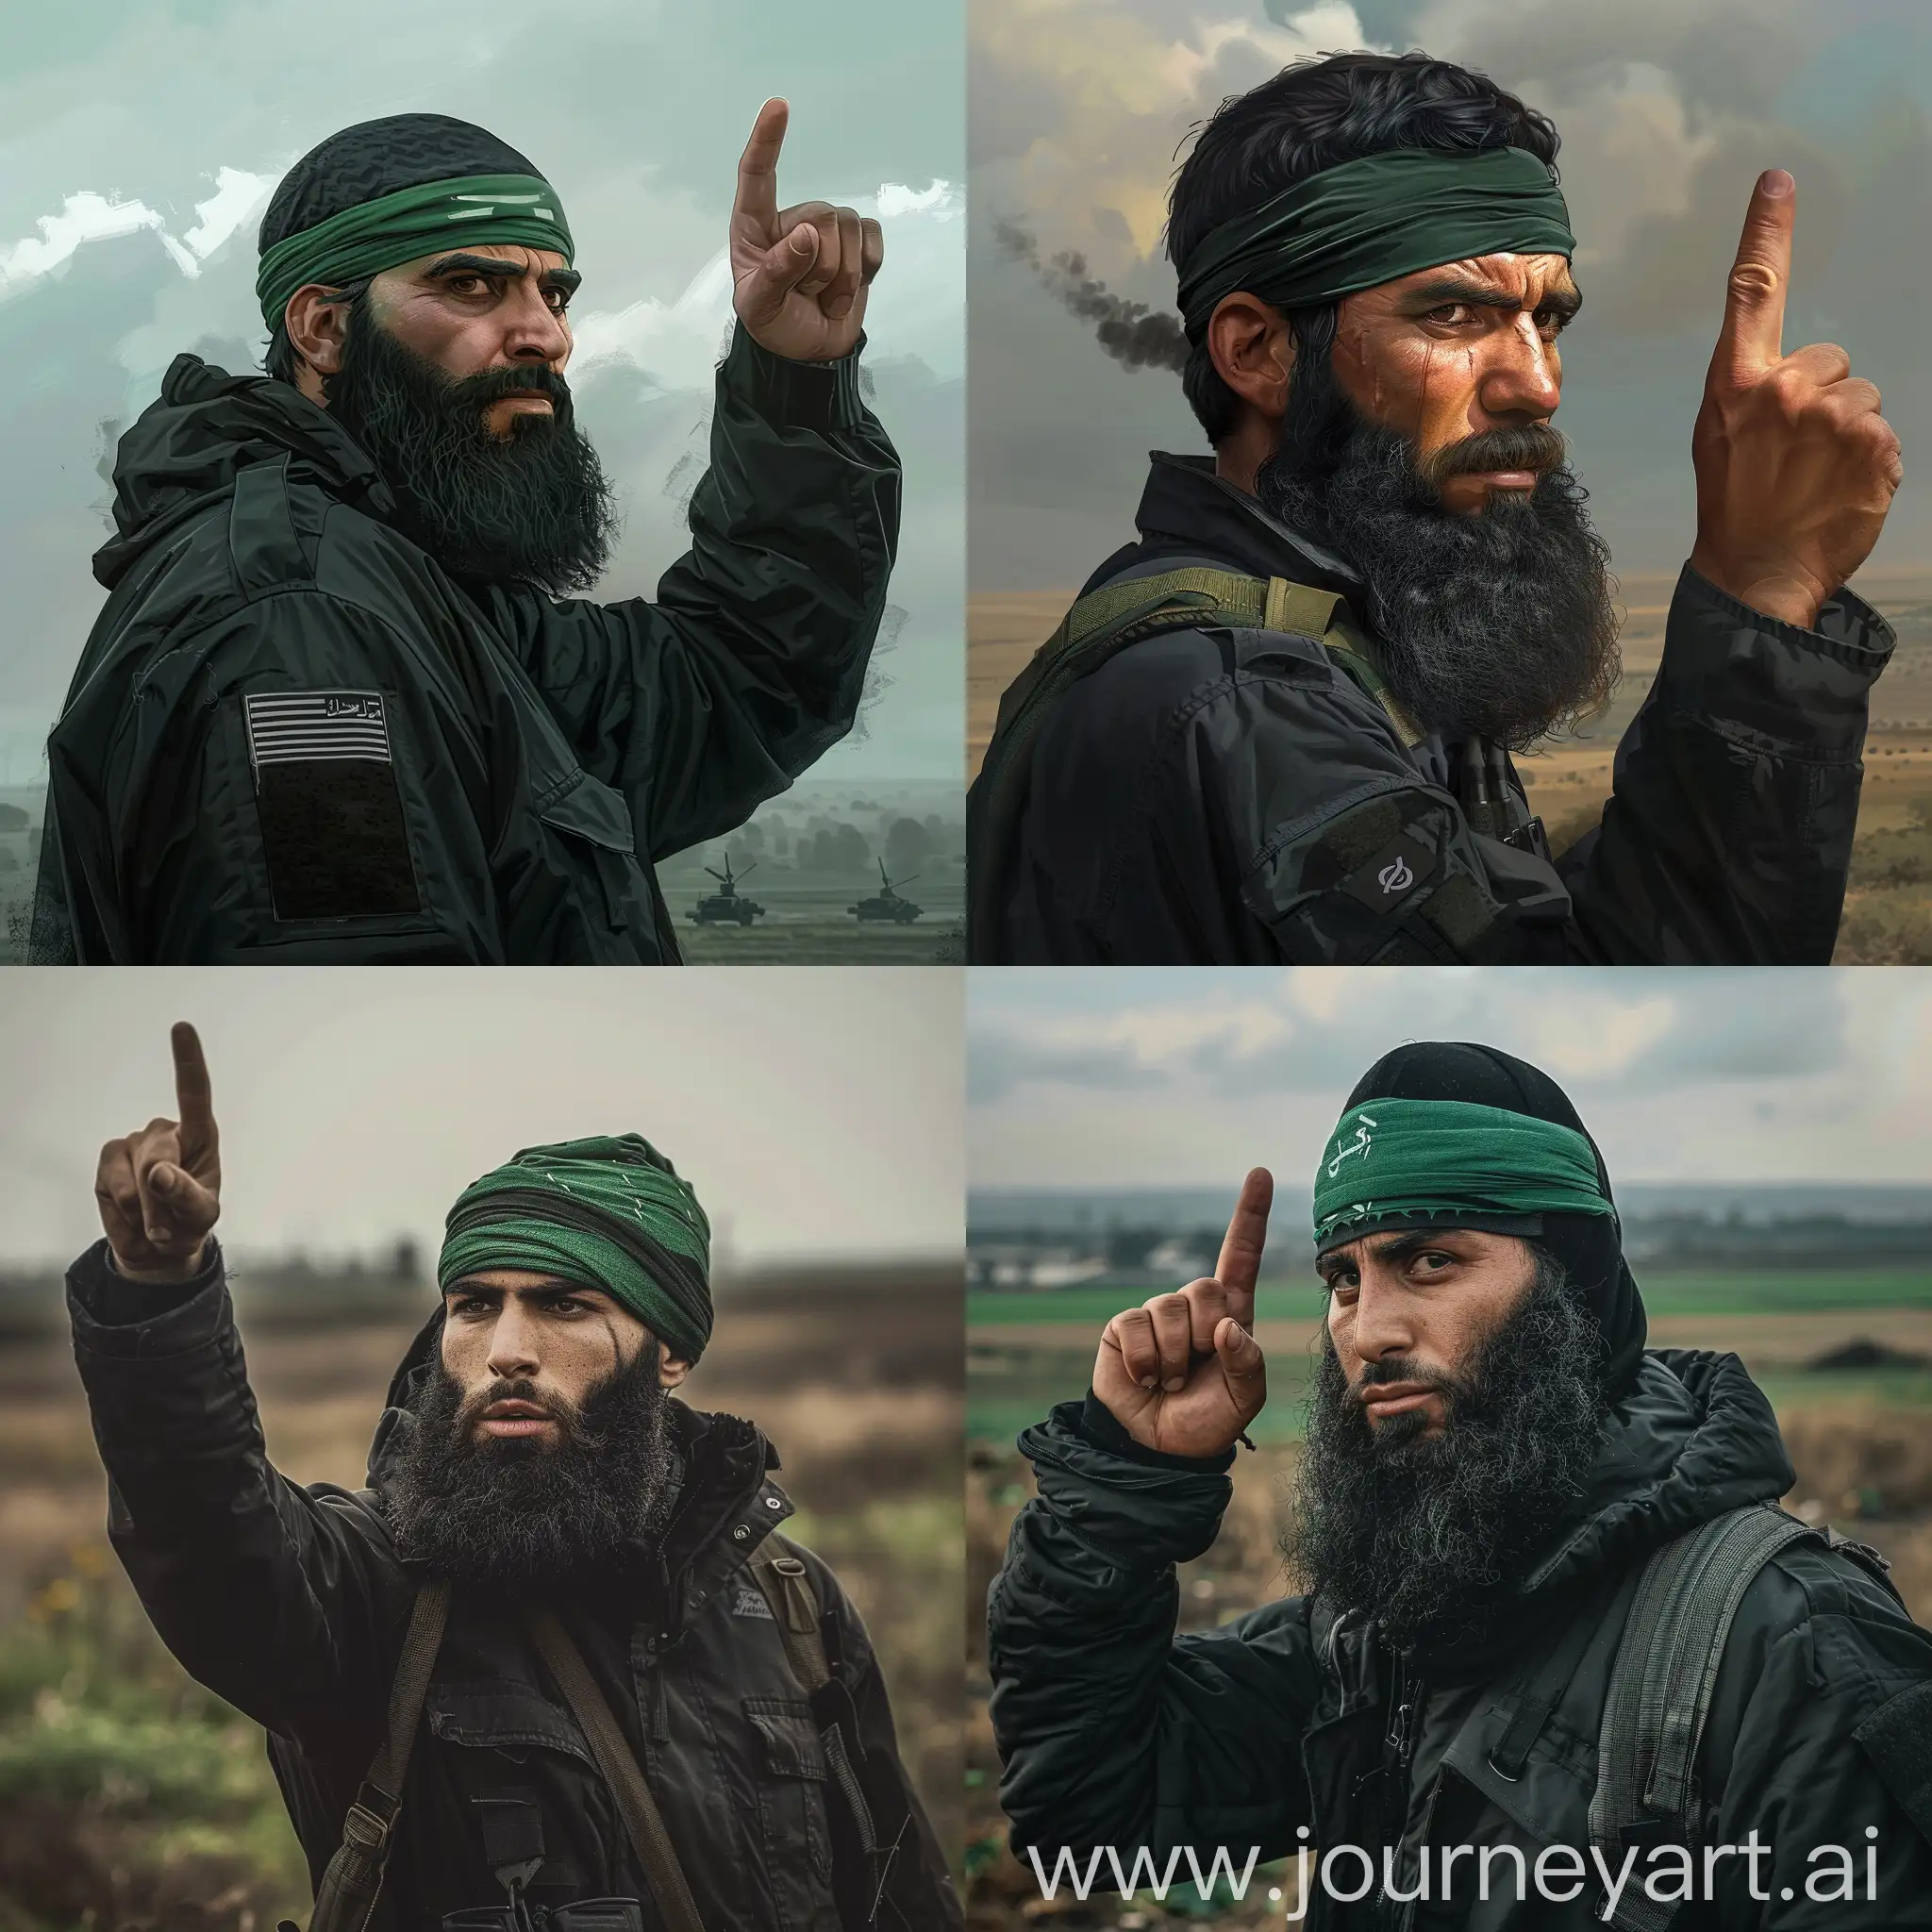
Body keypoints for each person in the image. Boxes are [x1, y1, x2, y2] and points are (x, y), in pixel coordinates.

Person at [970, 52, 1901, 966]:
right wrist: (1759, 593)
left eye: (1546, 320)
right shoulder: (1242, 708)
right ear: (1256, 351)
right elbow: (1568, 1009)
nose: (1534, 385)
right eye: (1452, 318)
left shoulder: (1355, 638)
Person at [987, 1042, 1932, 1927]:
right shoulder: (1386, 1623)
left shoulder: (1786, 1647)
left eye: (1428, 1260)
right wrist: (1128, 1481)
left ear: (1574, 1276)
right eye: (1342, 1276)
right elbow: (1086, 1812)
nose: (1366, 1329)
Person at [69, 1024, 959, 1928]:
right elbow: (209, 1535)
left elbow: (902, 1895)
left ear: (671, 1352)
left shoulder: (792, 1607)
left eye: (564, 1304)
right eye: (473, 1305)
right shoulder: (375, 1591)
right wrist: (160, 1289)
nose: (504, 1350)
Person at [34, 102, 901, 964]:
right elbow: (356, 1008)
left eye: (552, 291)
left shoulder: (410, 594)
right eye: (471, 286)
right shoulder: (300, 624)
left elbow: (730, 681)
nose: (546, 334)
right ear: (324, 329)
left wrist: (797, 377)